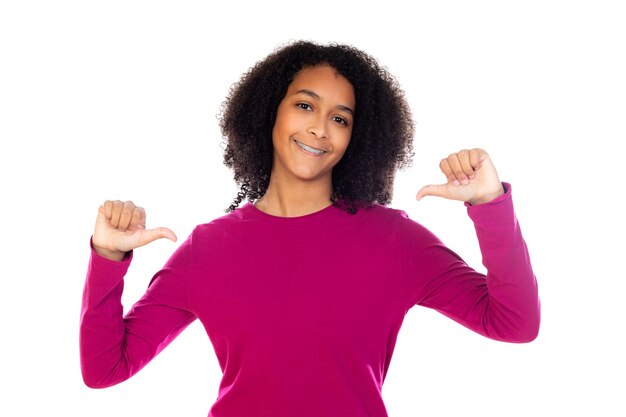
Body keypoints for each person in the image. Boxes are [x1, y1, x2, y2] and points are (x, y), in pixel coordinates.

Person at [80, 41, 540, 417]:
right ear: (269, 113)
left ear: (355, 138)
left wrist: (489, 204)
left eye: (340, 118)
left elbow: (515, 322)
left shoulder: (393, 240)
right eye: (305, 105)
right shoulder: (209, 248)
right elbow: (104, 369)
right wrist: (108, 255)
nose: (320, 129)